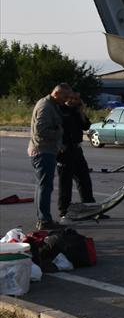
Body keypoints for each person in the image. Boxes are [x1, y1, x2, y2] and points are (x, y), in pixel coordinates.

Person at [28, 83, 73, 230]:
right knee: (44, 187)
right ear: (57, 94)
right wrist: (58, 132)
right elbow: (41, 130)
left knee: (42, 186)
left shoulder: (49, 104)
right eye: (65, 97)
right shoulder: (46, 106)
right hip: (43, 151)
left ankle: (43, 218)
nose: (66, 100)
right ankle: (44, 220)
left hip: (45, 149)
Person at [56, 91, 100, 220]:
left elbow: (86, 126)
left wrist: (81, 111)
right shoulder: (59, 111)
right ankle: (64, 210)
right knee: (65, 182)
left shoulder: (76, 111)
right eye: (71, 98)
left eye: (76, 99)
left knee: (84, 179)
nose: (73, 101)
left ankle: (90, 208)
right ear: (65, 97)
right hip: (64, 150)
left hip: (76, 149)